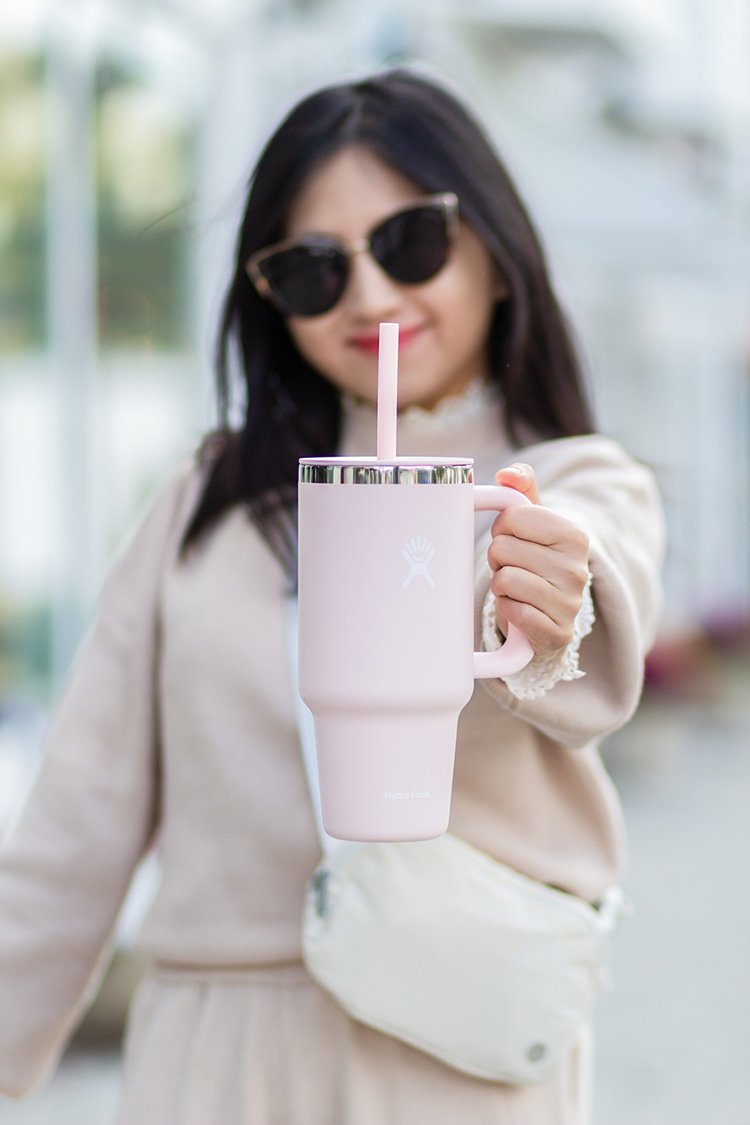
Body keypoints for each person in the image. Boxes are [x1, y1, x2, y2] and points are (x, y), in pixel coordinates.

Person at [0, 68, 664, 1123]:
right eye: (312, 270)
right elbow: (75, 827)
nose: (367, 296)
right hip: (218, 1058)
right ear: (271, 299)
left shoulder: (575, 486)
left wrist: (547, 606)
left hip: (460, 1055)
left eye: (411, 243)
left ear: (496, 251)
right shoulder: (204, 506)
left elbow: (592, 605)